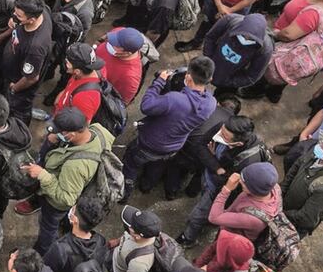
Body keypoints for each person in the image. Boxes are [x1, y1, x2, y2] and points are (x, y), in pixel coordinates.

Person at [18, 108, 113, 255]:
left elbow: (66, 199)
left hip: (55, 203)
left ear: (72, 134)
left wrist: (43, 175)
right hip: (75, 183)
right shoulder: (99, 129)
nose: (56, 134)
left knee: (48, 226)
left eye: (60, 132)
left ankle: (42, 252)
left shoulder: (75, 166)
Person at [124, 57, 217, 200]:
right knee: (157, 164)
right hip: (173, 146)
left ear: (188, 76)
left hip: (148, 144)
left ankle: (124, 191)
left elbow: (146, 106)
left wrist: (159, 81)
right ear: (210, 78)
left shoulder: (174, 99)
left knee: (131, 163)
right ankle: (146, 186)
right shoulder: (210, 103)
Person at [178, 119, 273, 245]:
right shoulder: (227, 126)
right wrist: (217, 167)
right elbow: (200, 145)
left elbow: (230, 185)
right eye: (221, 131)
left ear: (238, 144)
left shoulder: (249, 162)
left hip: (217, 191)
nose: (219, 135)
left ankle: (188, 238)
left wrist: (215, 163)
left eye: (224, 136)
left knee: (197, 216)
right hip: (210, 176)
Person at [0, 0, 52, 123]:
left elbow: (31, 78)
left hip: (19, 84)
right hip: (10, 68)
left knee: (17, 112)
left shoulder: (35, 46)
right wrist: (15, 21)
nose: (14, 16)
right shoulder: (40, 10)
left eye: (18, 16)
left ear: (32, 20)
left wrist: (14, 88)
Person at [44, 197, 107, 272]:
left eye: (74, 209)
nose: (72, 209)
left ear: (75, 220)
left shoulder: (60, 249)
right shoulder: (101, 241)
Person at [201, 12, 275, 100]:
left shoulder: (265, 49)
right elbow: (210, 37)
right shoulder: (229, 20)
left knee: (221, 98)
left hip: (231, 77)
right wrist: (208, 58)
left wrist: (229, 81)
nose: (245, 39)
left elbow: (252, 77)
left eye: (251, 39)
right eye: (243, 35)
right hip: (212, 62)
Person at [108, 206, 162, 272]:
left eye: (130, 228)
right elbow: (126, 235)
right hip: (117, 260)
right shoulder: (141, 232)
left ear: (137, 236)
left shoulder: (139, 262)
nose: (128, 227)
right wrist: (116, 241)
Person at [95, 27, 146, 104]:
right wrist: (98, 42)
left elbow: (120, 103)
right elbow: (107, 35)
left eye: (116, 45)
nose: (110, 42)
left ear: (127, 53)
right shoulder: (120, 33)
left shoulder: (130, 78)